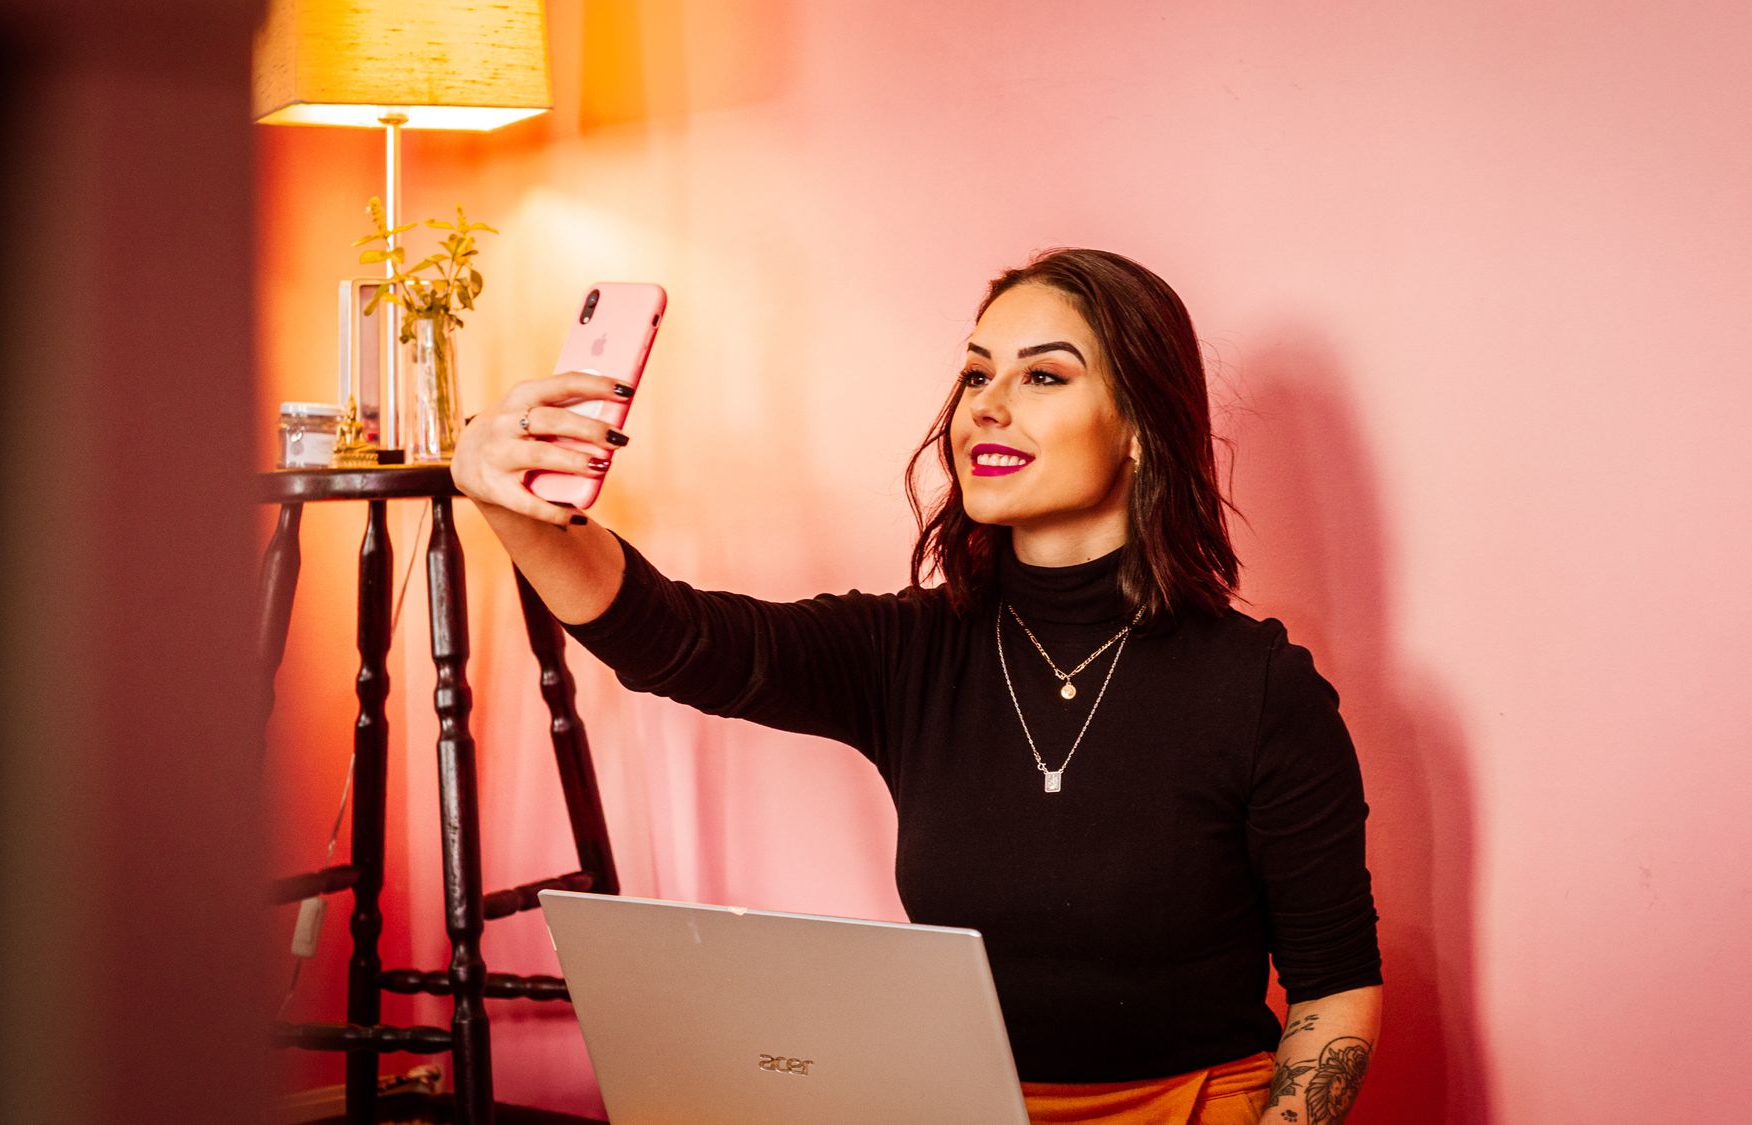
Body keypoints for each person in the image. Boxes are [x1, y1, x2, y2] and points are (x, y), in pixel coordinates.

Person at [451, 249, 1383, 1124]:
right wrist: (511, 503)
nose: (987, 406)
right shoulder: (910, 649)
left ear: (1141, 426)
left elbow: (1334, 982)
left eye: (1044, 376)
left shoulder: (1260, 686)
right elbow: (676, 640)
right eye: (978, 374)